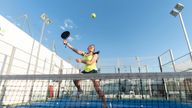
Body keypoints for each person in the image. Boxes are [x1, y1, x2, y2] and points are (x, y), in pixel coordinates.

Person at [63, 39, 107, 108]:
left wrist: (81, 60)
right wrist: (67, 43)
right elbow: (74, 49)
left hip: (93, 72)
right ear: (88, 48)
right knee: (75, 79)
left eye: (93, 47)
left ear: (94, 49)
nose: (91, 47)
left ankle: (105, 105)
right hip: (85, 72)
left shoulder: (95, 55)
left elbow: (91, 62)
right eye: (90, 46)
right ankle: (79, 90)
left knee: (98, 89)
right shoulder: (84, 54)